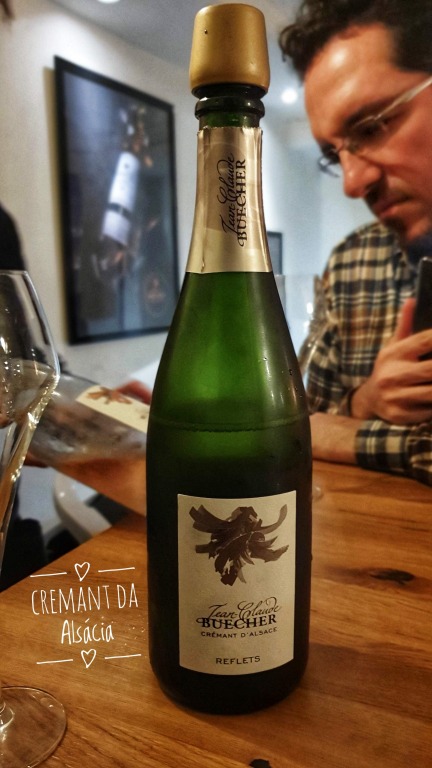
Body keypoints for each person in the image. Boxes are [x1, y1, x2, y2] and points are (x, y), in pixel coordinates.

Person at [279, 0, 432, 486]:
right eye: (333, 155)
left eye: (371, 127)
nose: (351, 183)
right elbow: (299, 429)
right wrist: (368, 400)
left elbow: (316, 433)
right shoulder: (352, 262)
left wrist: (355, 436)